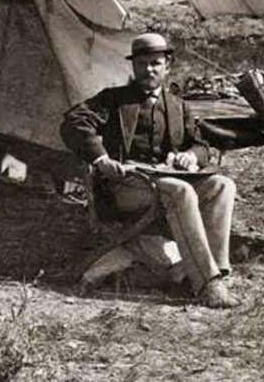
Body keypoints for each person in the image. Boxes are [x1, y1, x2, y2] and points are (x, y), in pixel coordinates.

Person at [60, 32, 239, 309]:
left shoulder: (179, 106)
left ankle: (217, 271)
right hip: (124, 185)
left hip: (164, 181)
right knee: (180, 191)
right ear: (133, 67)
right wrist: (101, 159)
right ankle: (206, 284)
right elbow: (73, 122)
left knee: (222, 186)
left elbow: (201, 144)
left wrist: (190, 156)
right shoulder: (113, 100)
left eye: (156, 63)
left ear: (168, 66)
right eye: (142, 64)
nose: (148, 70)